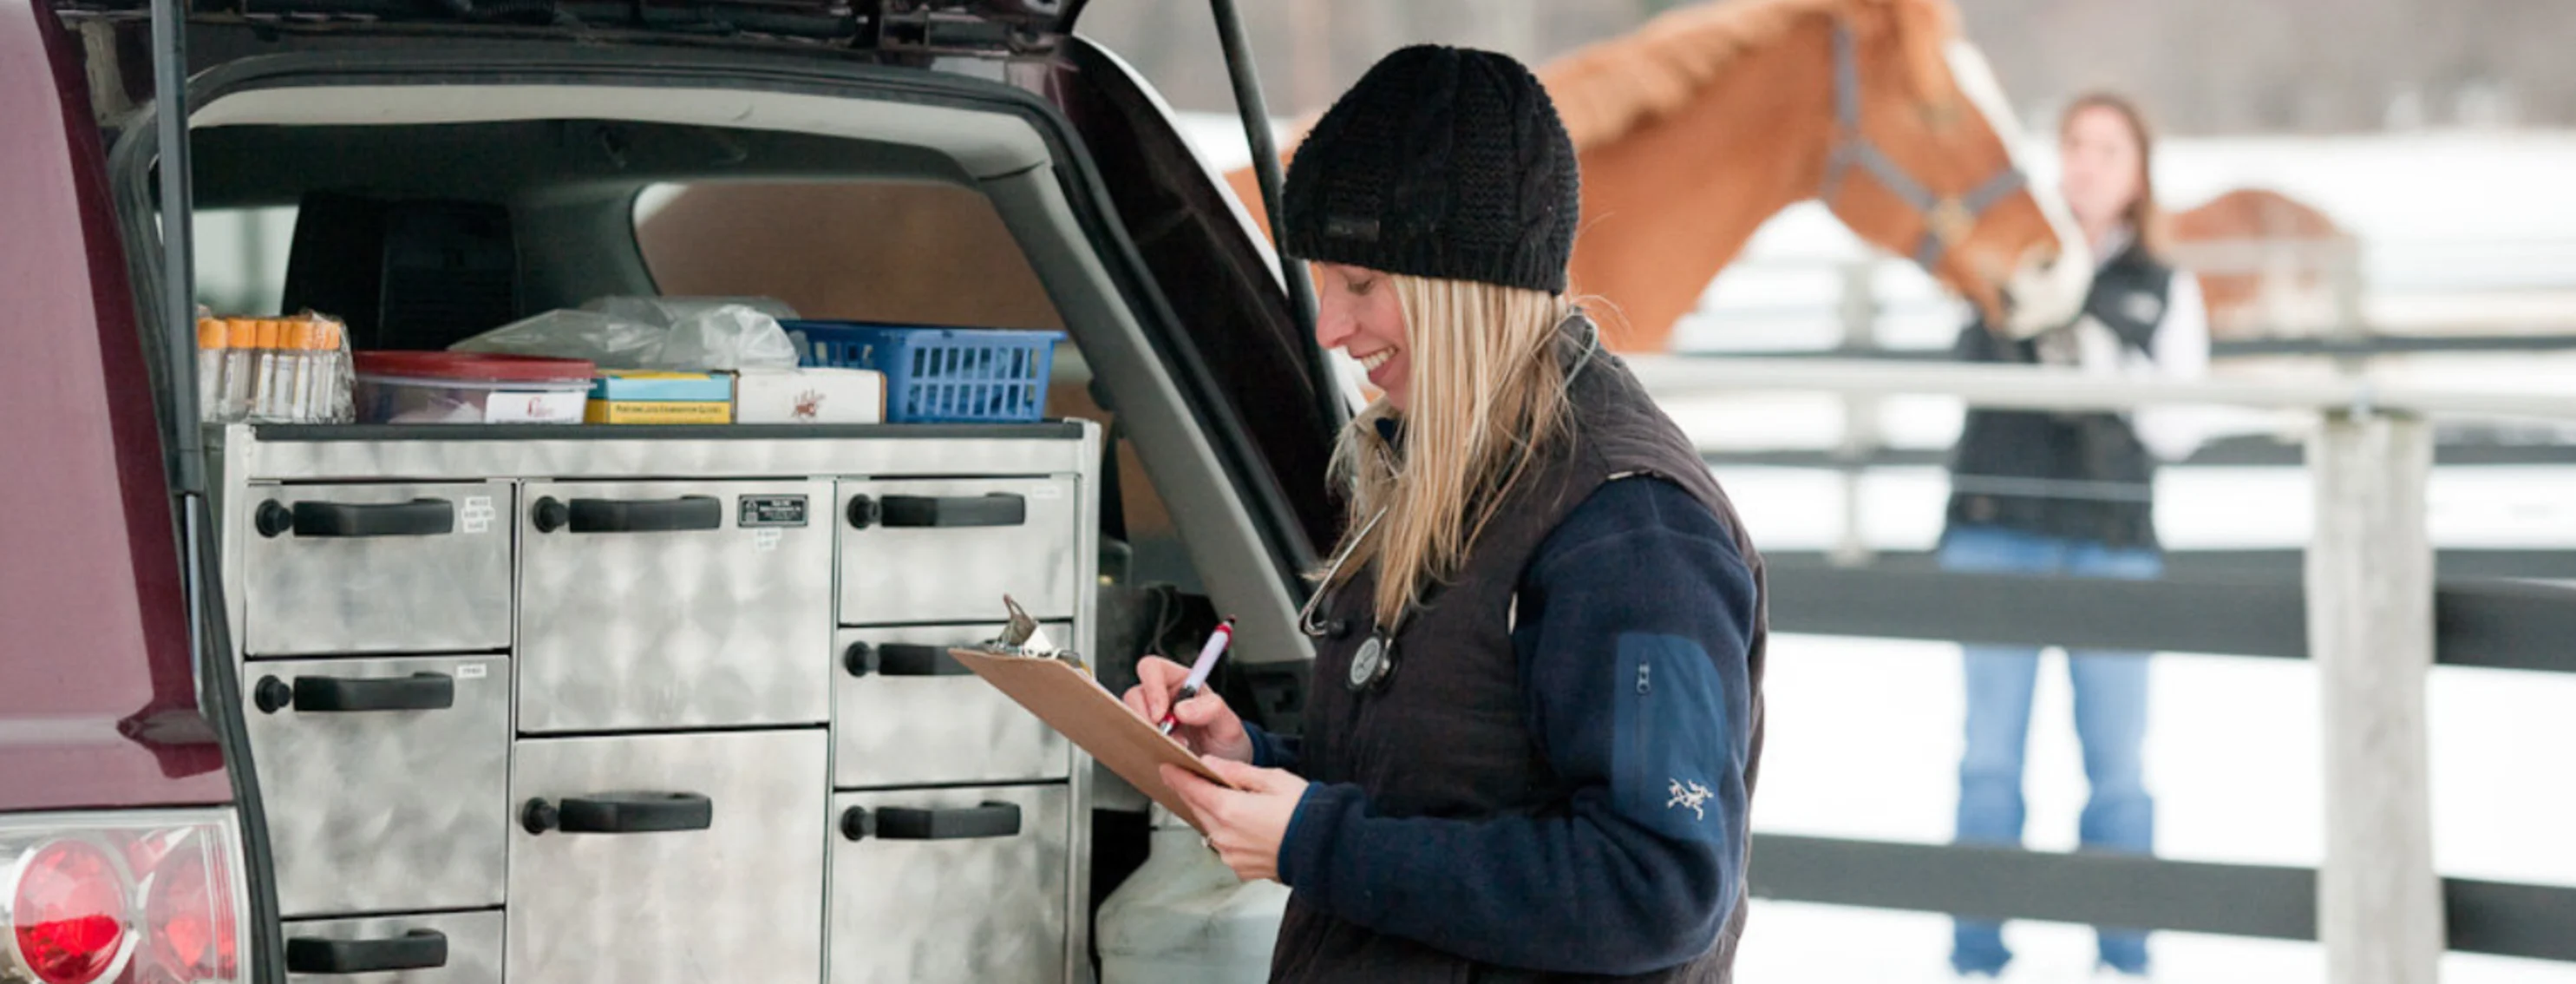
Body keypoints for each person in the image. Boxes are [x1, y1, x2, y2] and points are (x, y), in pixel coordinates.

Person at [1118, 44, 1768, 983]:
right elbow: (1448, 786)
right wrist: (1252, 760)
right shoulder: (1447, 468)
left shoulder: (1633, 531)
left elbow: (1656, 886)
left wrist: (1316, 840)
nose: (1332, 330)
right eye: (1324, 284)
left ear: (1459, 285)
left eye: (1362, 284)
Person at [1940, 91, 2210, 979]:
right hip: (1998, 533)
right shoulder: (1999, 258)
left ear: (2137, 175)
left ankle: (2123, 959)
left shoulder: (2165, 288)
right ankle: (1977, 958)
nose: (2087, 163)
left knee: (2118, 766)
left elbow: (2177, 428)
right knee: (1988, 762)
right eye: (2075, 145)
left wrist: (2093, 347)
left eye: (2108, 149)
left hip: (2108, 544)